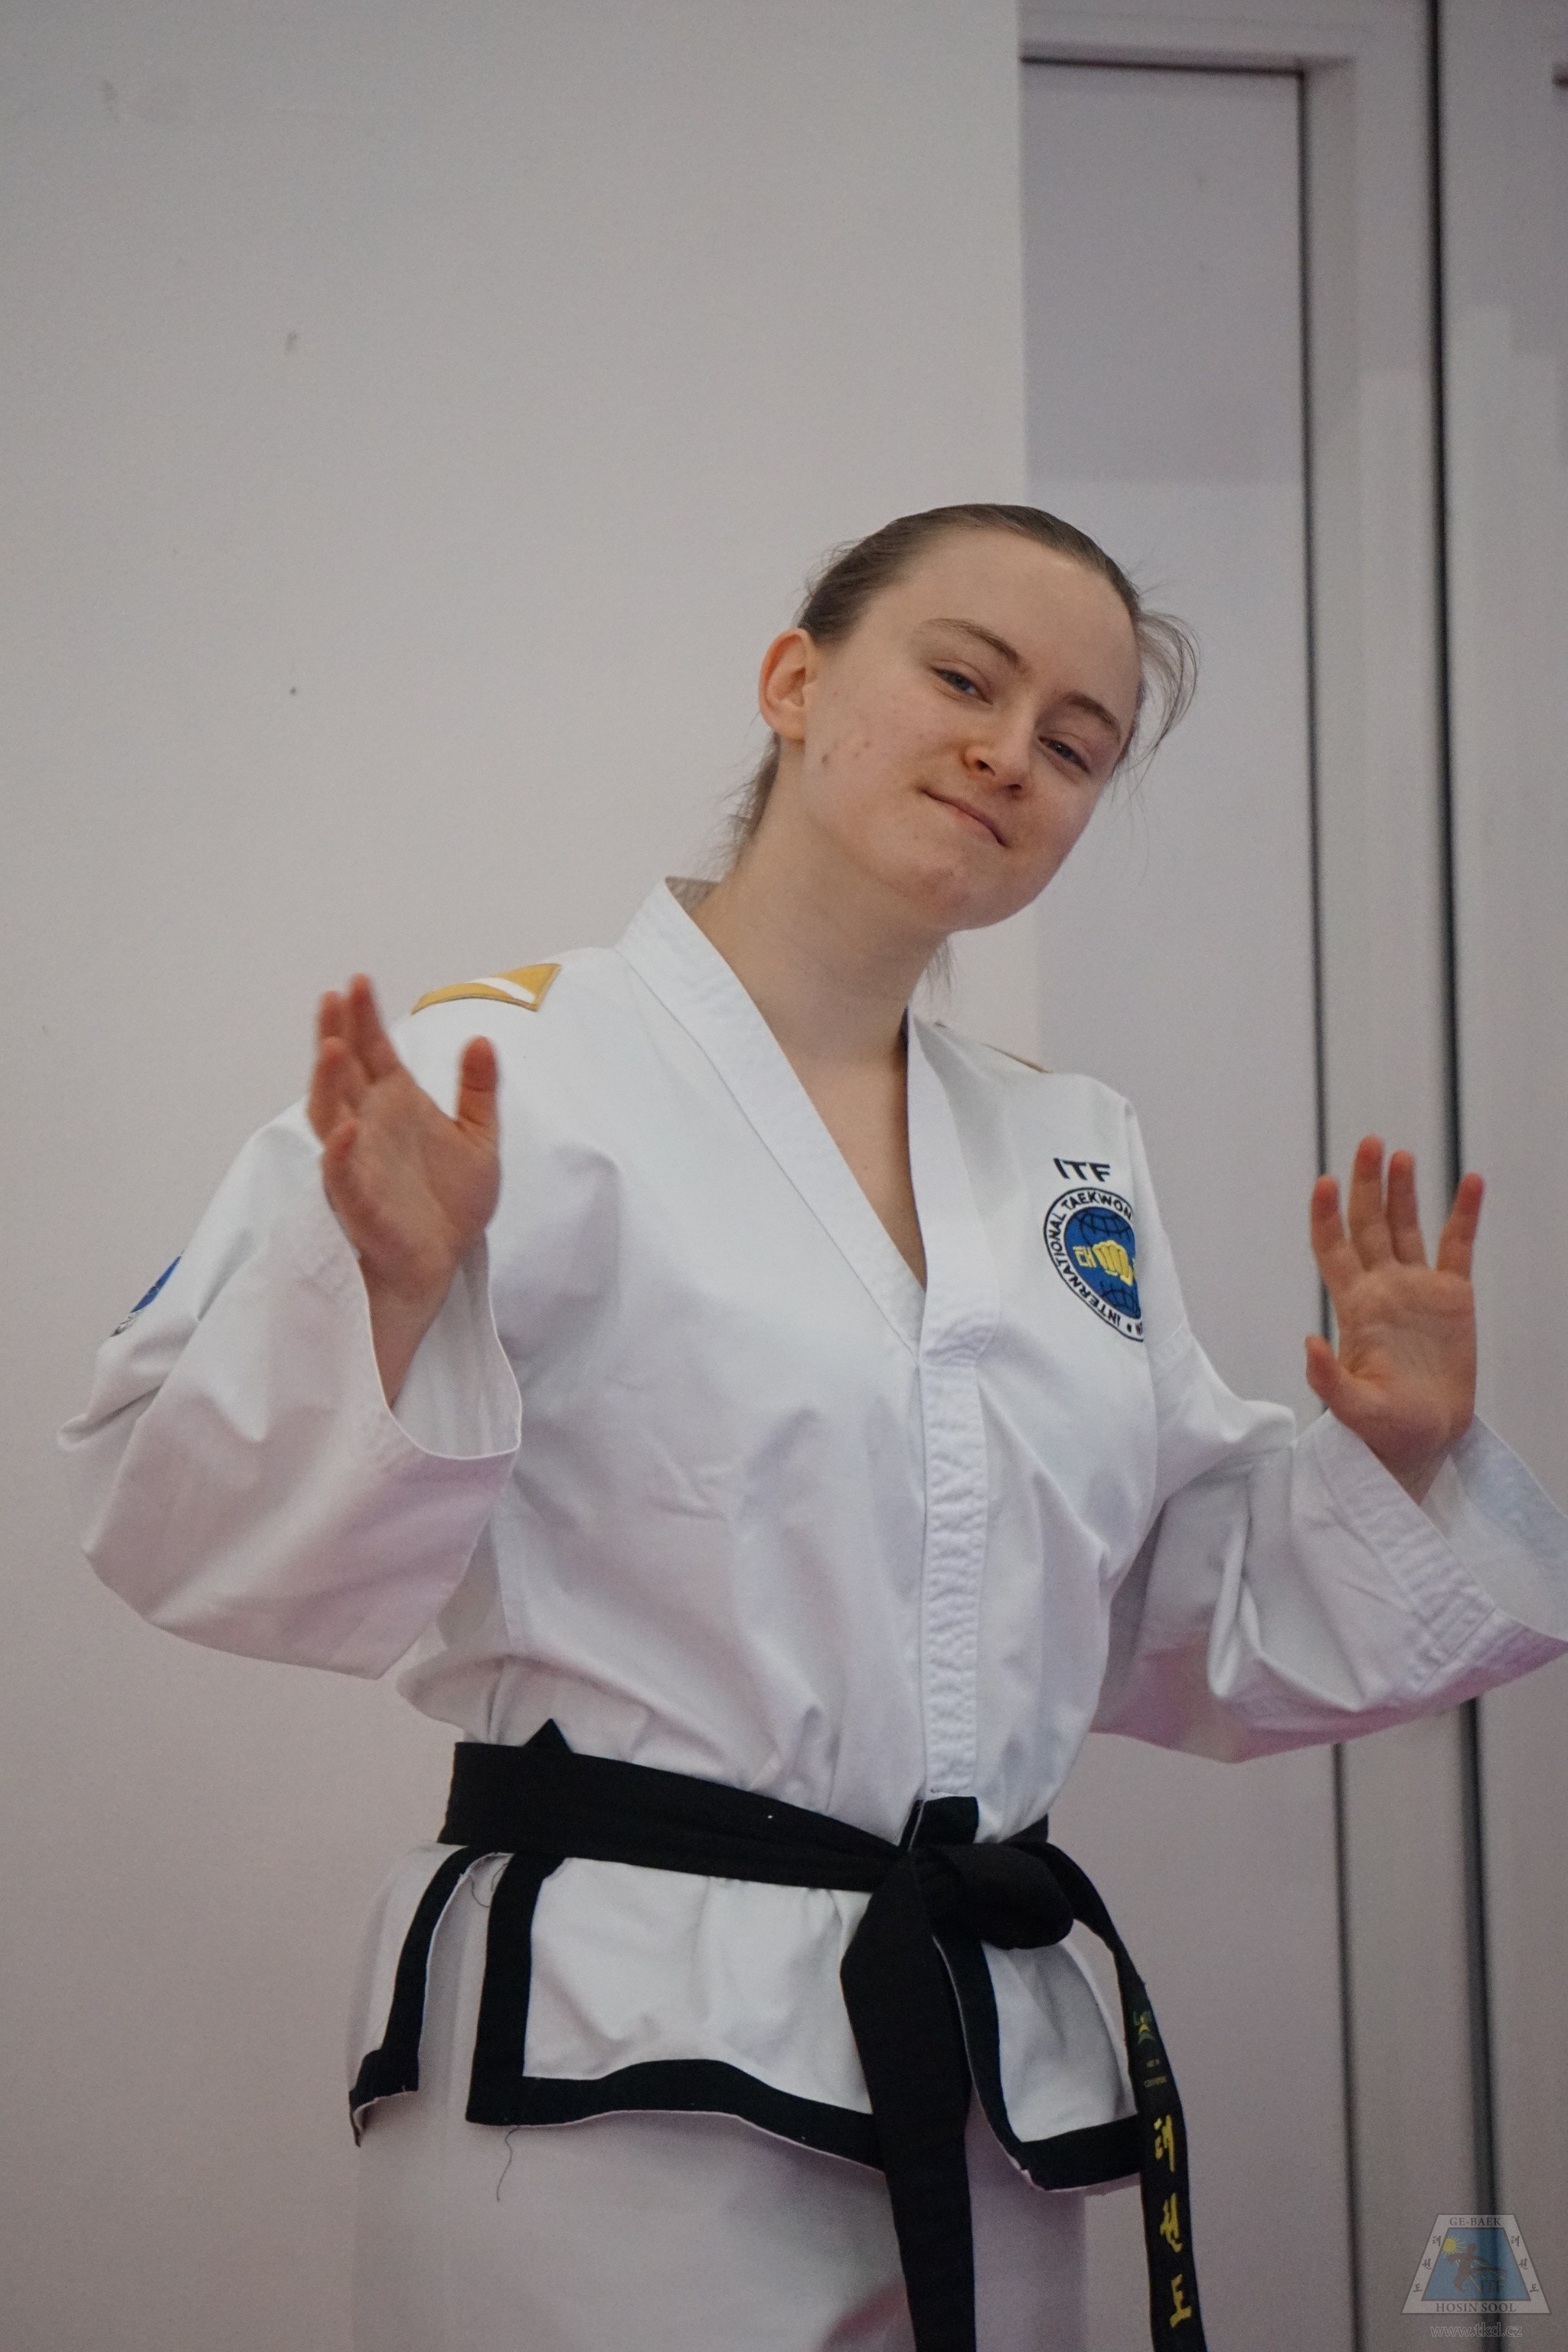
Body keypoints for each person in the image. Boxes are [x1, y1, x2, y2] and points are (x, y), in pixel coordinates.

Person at [61, 504, 1568, 2352]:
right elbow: (178, 1516)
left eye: (1074, 743)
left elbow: (1141, 1600)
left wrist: (1386, 1457)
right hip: (607, 2069)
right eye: (963, 679)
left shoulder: (1063, 1148)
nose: (1009, 753)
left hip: (977, 2060)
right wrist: (379, 1288)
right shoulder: (506, 1075)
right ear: (795, 680)